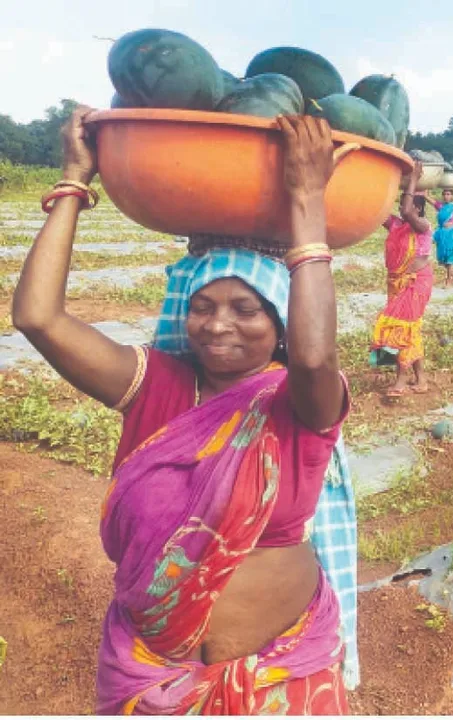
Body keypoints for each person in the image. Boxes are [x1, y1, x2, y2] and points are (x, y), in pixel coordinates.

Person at [12, 109, 353, 714]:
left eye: (245, 309)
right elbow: (38, 318)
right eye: (203, 306)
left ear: (278, 326)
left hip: (283, 673)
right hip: (151, 677)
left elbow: (314, 354)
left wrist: (306, 198)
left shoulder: (298, 403)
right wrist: (73, 182)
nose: (218, 324)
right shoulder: (158, 388)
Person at [371, 164, 434, 398]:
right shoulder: (397, 225)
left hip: (416, 282)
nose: (401, 207)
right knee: (410, 329)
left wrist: (413, 180)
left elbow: (407, 212)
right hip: (396, 283)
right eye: (400, 202)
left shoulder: (423, 227)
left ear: (417, 207)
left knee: (400, 327)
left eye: (406, 201)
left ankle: (401, 380)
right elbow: (377, 211)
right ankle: (421, 379)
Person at [429, 187, 453, 287]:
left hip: (452, 235)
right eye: (445, 194)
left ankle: (448, 281)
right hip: (441, 234)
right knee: (443, 259)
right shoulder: (440, 207)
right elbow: (428, 198)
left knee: (450, 259)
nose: (446, 196)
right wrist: (425, 189)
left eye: (449, 194)